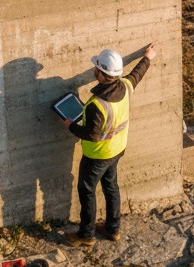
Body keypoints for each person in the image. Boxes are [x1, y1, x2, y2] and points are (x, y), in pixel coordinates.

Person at [65, 43, 156, 245]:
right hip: (117, 150)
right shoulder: (124, 85)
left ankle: (86, 235)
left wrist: (71, 125)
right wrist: (147, 57)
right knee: (111, 186)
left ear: (99, 71)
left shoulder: (97, 104)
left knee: (87, 191)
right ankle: (112, 229)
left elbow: (93, 135)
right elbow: (137, 75)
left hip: (97, 154)